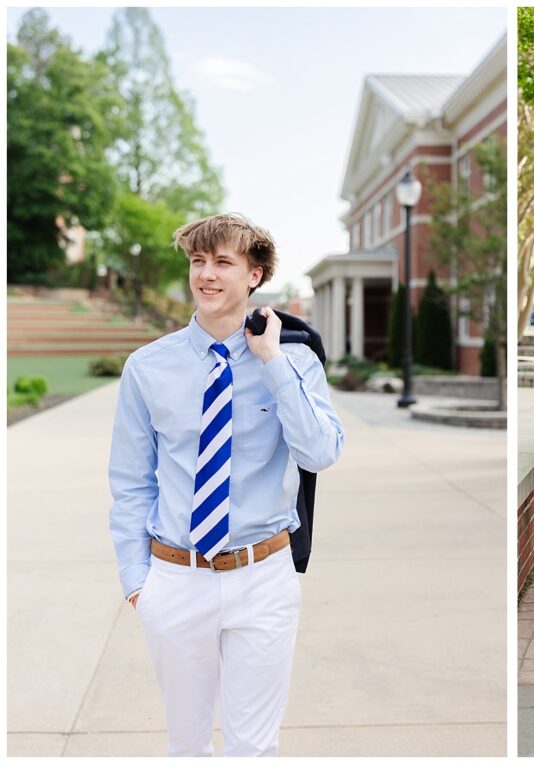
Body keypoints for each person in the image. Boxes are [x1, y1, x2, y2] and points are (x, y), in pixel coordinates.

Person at [108, 213, 344, 756]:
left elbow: (320, 452)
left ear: (255, 274)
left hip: (264, 577)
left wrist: (273, 363)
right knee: (186, 747)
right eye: (198, 261)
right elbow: (130, 482)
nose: (206, 275)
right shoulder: (147, 367)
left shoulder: (296, 361)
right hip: (175, 576)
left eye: (222, 262)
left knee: (253, 749)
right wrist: (137, 581)